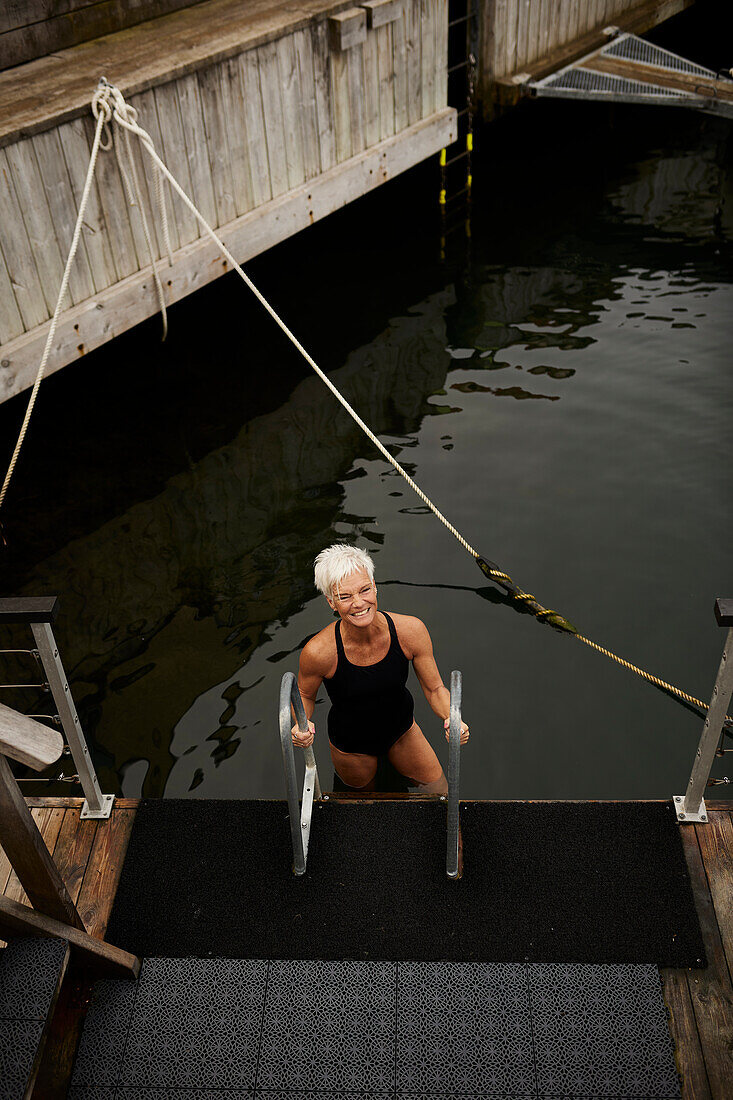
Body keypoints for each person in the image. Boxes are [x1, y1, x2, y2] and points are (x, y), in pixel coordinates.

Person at [291, 543, 469, 792]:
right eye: (345, 596)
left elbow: (435, 688)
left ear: (375, 587)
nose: (358, 603)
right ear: (331, 602)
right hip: (351, 745)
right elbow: (304, 694)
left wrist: (452, 717)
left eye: (365, 590)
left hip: (402, 732)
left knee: (440, 795)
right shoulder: (319, 651)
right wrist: (301, 723)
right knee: (366, 813)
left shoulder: (410, 631)